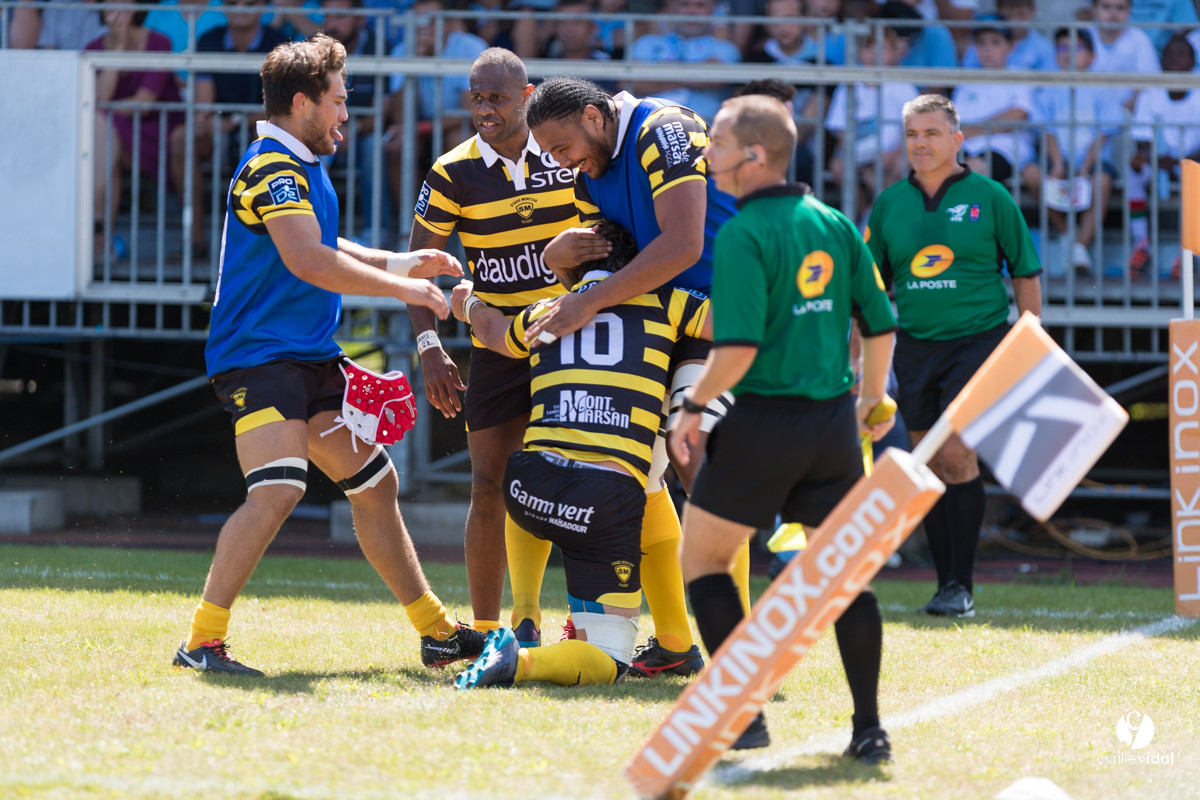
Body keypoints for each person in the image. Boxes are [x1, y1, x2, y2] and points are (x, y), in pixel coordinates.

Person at [173, 33, 481, 676]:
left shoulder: (296, 166)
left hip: (309, 358)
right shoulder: (269, 168)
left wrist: (400, 259)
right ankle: (201, 643)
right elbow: (308, 259)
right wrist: (409, 287)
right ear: (303, 101)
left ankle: (435, 632)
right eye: (339, 101)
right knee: (279, 490)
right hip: (257, 360)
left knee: (376, 483)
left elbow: (321, 239)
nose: (347, 114)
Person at [670, 93, 898, 757]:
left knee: (704, 561)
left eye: (715, 141)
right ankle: (869, 730)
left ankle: (745, 718)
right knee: (844, 578)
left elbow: (736, 351)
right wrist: (871, 398)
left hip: (762, 424)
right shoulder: (832, 221)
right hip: (830, 429)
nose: (706, 152)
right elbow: (879, 323)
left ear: (755, 155)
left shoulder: (743, 232)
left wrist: (690, 408)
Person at [525, 77, 754, 677]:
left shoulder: (664, 129)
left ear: (596, 116)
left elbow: (681, 246)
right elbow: (614, 261)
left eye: (561, 145)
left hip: (723, 311)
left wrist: (587, 303)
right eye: (547, 153)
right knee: (639, 476)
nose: (558, 161)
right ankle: (677, 642)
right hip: (660, 319)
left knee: (694, 449)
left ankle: (741, 645)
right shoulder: (585, 173)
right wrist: (561, 259)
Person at [450, 219, 713, 690]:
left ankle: (524, 616)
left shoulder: (544, 310)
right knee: (607, 658)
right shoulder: (669, 304)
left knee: (554, 466)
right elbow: (737, 323)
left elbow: (490, 331)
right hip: (600, 502)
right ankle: (520, 661)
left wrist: (467, 301)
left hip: (527, 491)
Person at [404, 48, 578, 640]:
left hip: (573, 338)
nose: (484, 109)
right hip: (499, 346)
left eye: (496, 97)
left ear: (527, 97)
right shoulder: (451, 172)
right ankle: (485, 629)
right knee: (488, 483)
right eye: (476, 96)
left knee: (582, 478)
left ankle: (589, 622)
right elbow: (420, 266)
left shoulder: (568, 157)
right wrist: (429, 344)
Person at [865, 94, 1042, 618]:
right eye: (913, 134)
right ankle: (945, 585)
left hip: (979, 339)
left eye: (932, 133)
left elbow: (1025, 273)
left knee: (959, 451)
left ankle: (962, 584)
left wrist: (1030, 344)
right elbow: (871, 288)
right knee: (927, 463)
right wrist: (856, 357)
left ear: (957, 139)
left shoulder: (990, 197)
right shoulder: (890, 203)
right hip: (915, 346)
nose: (921, 143)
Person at [168, 0, 289, 259]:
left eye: (250, 2)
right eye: (233, 2)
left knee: (268, 139)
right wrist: (206, 121)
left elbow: (280, 107)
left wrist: (233, 121)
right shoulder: (209, 39)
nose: (241, 8)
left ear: (263, 7)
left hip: (262, 131)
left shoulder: (281, 43)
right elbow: (203, 104)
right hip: (221, 132)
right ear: (223, 6)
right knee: (182, 139)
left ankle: (269, 246)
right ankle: (195, 241)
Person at [85, 0, 194, 259]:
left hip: (159, 133)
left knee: (102, 129)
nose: (118, 7)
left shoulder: (159, 42)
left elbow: (143, 104)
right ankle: (100, 237)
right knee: (103, 134)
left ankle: (99, 232)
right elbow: (98, 99)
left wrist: (104, 108)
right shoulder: (92, 49)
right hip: (114, 137)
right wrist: (117, 48)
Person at [1020, 27, 1123, 275]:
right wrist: (1057, 164)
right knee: (1033, 174)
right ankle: (1067, 234)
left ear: (1091, 56)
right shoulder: (1049, 89)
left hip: (1092, 159)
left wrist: (1085, 168)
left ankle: (1079, 246)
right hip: (1057, 157)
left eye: (1077, 48)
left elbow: (1103, 134)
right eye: (1062, 48)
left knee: (1102, 181)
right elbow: (1048, 131)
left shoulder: (1102, 89)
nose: (1068, 54)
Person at [824, 27, 919, 222]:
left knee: (903, 162)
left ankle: (883, 216)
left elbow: (913, 130)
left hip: (895, 152)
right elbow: (841, 132)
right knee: (838, 165)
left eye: (882, 48)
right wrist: (863, 161)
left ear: (894, 54)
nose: (875, 53)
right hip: (858, 152)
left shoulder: (904, 87)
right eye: (869, 47)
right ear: (860, 52)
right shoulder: (848, 86)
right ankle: (865, 215)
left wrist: (892, 155)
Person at [1127, 34, 1200, 279]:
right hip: (1158, 162)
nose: (1175, 60)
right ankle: (1142, 245)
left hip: (1192, 162)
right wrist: (1152, 158)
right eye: (1170, 54)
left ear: (1193, 61)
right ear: (1161, 60)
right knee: (1133, 173)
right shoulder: (1151, 94)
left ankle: (1189, 253)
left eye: (1182, 54)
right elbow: (1142, 140)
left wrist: (1185, 162)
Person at [952, 14, 1035, 186]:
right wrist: (993, 126)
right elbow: (956, 124)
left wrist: (974, 129)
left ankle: (971, 214)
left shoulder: (1021, 76)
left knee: (971, 170)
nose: (987, 49)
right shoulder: (967, 79)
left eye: (995, 42)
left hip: (1006, 148)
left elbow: (1018, 114)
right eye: (981, 43)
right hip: (967, 147)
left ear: (1011, 46)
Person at [628, 0, 743, 124]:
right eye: (684, 4)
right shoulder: (647, 43)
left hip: (705, 131)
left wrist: (659, 72)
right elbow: (631, 83)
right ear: (671, 7)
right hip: (649, 127)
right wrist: (696, 74)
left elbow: (715, 78)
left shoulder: (725, 48)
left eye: (700, 5)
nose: (692, 11)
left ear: (713, 10)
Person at [961, 0, 1055, 71]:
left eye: (1021, 15)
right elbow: (967, 74)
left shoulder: (1043, 47)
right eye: (1009, 15)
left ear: (1032, 11)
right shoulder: (980, 44)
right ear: (998, 10)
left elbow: (1052, 86)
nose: (1015, 21)